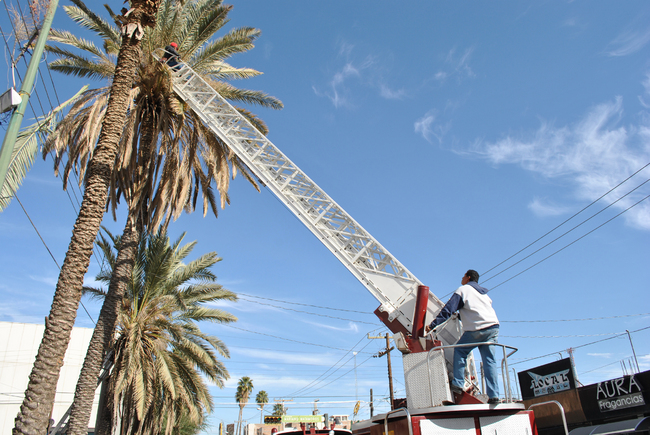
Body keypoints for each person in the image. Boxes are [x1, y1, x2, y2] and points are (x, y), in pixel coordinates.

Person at [425, 269, 500, 404]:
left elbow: (448, 310)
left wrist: (432, 325)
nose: (461, 278)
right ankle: (494, 395)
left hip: (477, 329)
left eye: (463, 276)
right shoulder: (484, 294)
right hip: (493, 328)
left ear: (468, 277)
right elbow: (476, 311)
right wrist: (461, 316)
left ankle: (458, 384)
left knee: (460, 350)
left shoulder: (463, 290)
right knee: (489, 361)